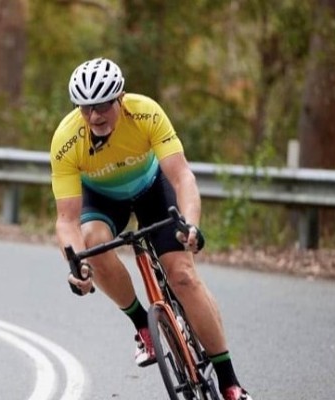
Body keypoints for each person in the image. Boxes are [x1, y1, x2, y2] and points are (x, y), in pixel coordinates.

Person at [50, 57, 252, 400]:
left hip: (153, 190)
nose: (94, 116)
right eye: (85, 108)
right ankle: (142, 325)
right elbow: (67, 220)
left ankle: (230, 382)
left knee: (183, 275)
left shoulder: (146, 113)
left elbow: (182, 177)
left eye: (103, 105)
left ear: (120, 98)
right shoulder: (67, 140)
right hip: (102, 199)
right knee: (92, 243)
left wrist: (191, 225)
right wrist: (75, 265)